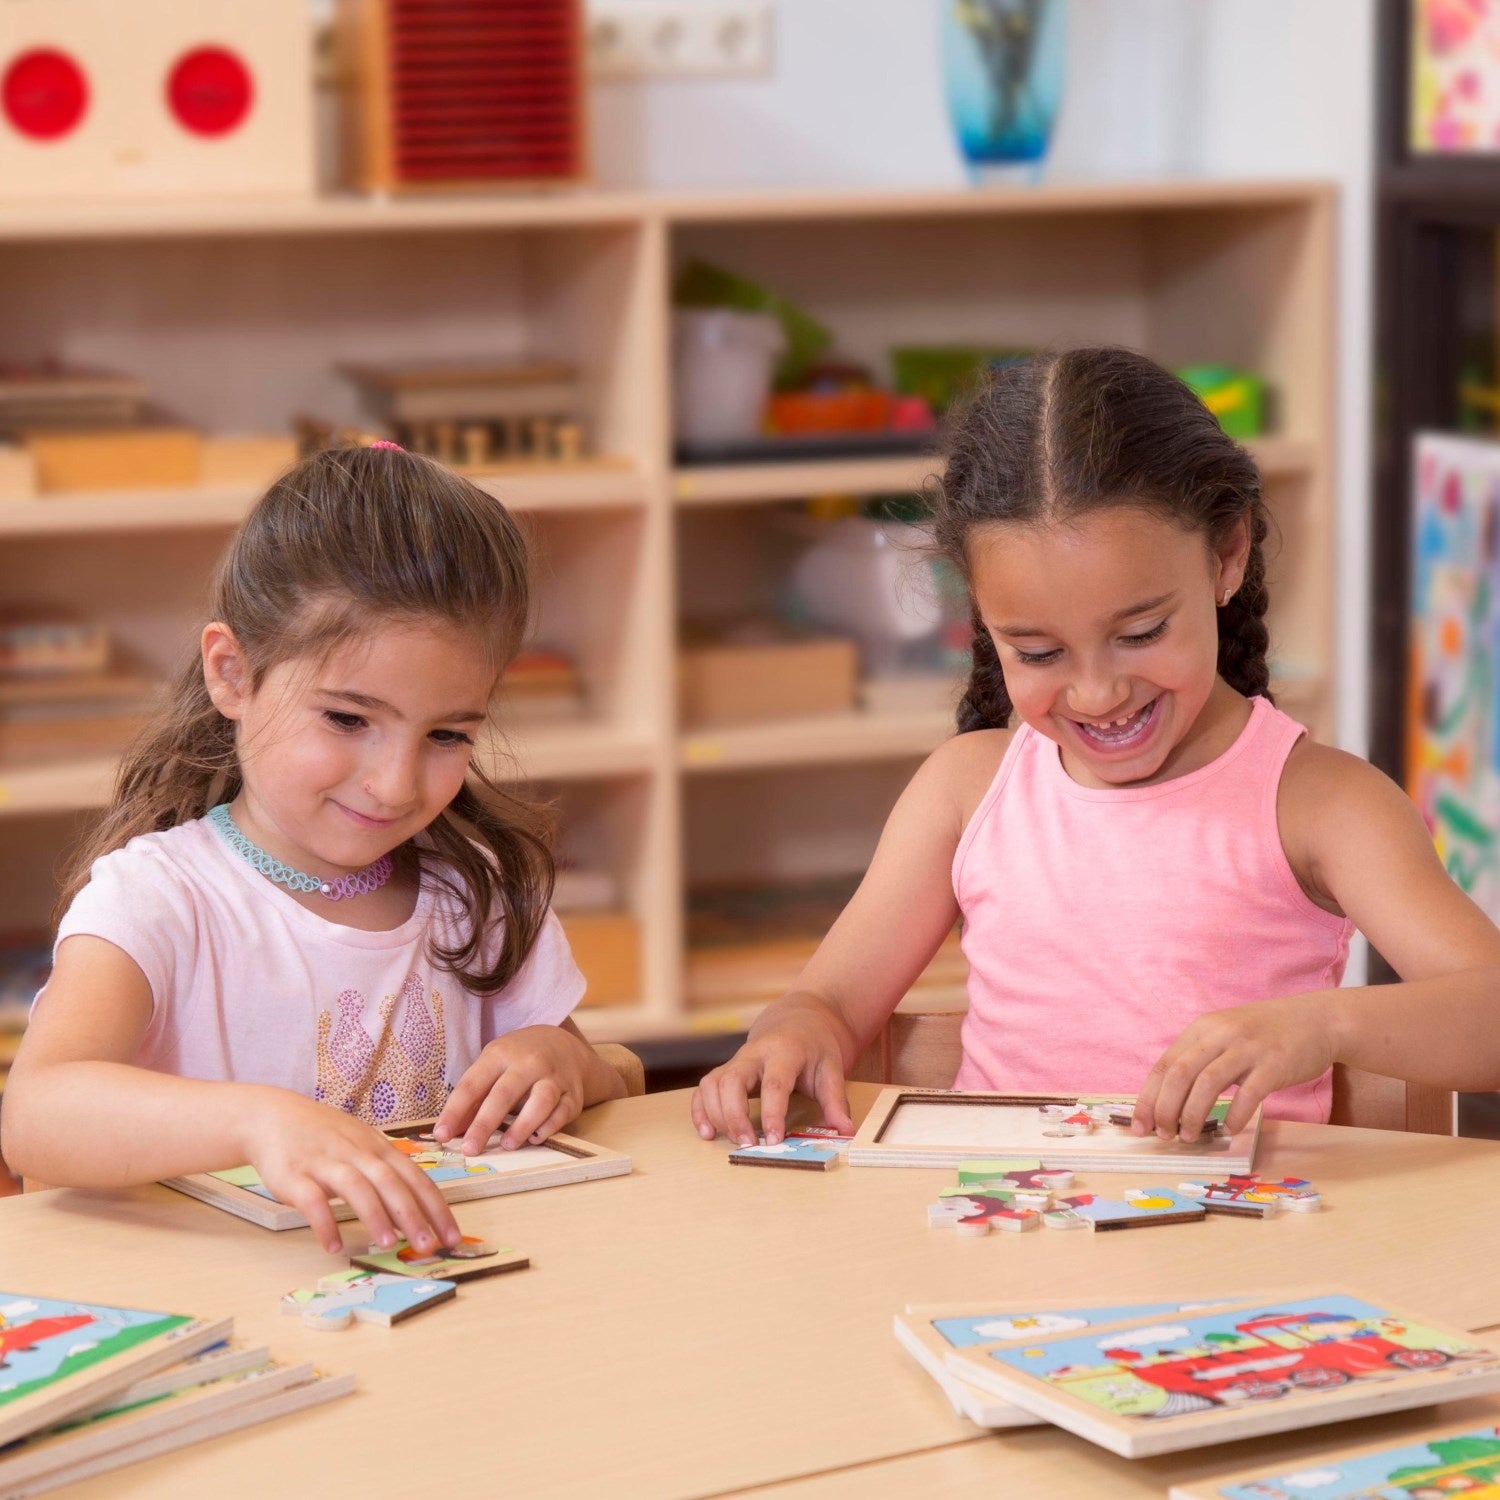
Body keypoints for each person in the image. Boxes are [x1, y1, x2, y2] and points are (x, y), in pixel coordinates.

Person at [692, 347, 1500, 1148]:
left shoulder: (1319, 803)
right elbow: (829, 1003)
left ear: (1227, 555)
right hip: (999, 1240)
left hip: (1233, 1258)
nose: (1097, 694)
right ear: (979, 612)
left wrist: (1325, 1025)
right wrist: (791, 1034)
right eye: (1038, 653)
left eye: (1141, 632)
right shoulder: (967, 790)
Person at [4, 443, 625, 1253]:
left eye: (445, 734)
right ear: (233, 673)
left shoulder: (478, 894)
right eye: (346, 719)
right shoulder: (155, 899)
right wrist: (259, 1120)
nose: (395, 783)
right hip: (235, 1311)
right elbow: (36, 1116)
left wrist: (560, 1063)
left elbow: (614, 1076)